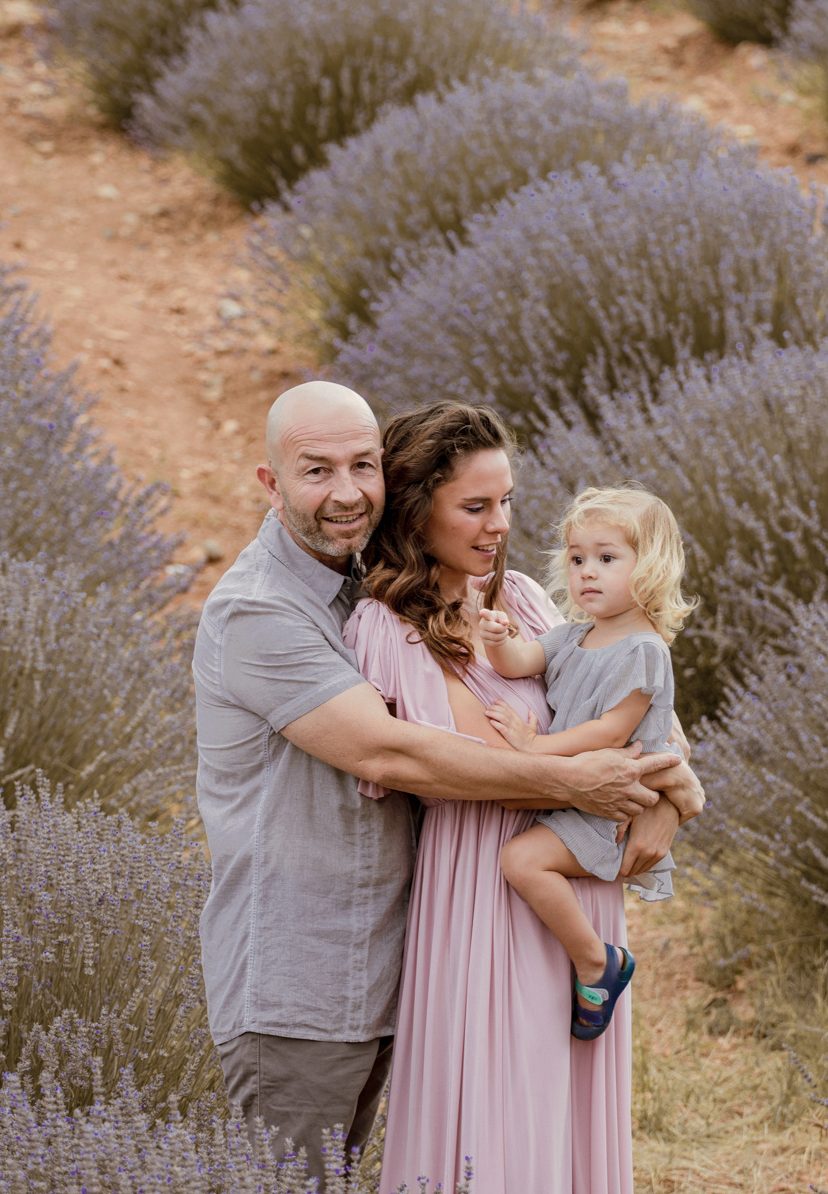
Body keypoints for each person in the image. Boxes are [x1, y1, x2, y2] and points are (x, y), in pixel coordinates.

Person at [191, 382, 700, 1184]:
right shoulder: (270, 612)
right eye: (316, 470)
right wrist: (593, 785)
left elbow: (629, 693)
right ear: (271, 480)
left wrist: (674, 792)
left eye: (363, 466)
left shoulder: (514, 599)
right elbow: (405, 758)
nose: (347, 491)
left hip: (434, 940)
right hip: (311, 968)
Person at [346, 402, 697, 1194]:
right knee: (492, 1116)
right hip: (476, 888)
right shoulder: (382, 627)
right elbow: (447, 763)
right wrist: (589, 772)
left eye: (506, 501)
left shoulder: (536, 606)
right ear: (415, 508)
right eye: (474, 506)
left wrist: (671, 800)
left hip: (568, 882)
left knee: (562, 1114)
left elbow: (648, 718)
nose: (499, 524)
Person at [478, 485, 690, 1042]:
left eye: (606, 558)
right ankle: (590, 961)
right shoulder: (573, 636)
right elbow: (523, 659)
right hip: (575, 788)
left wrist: (532, 749)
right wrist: (496, 640)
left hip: (607, 805)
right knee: (522, 862)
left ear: (651, 569)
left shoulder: (644, 649)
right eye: (576, 559)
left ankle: (597, 962)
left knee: (522, 862)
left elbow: (610, 733)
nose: (586, 573)